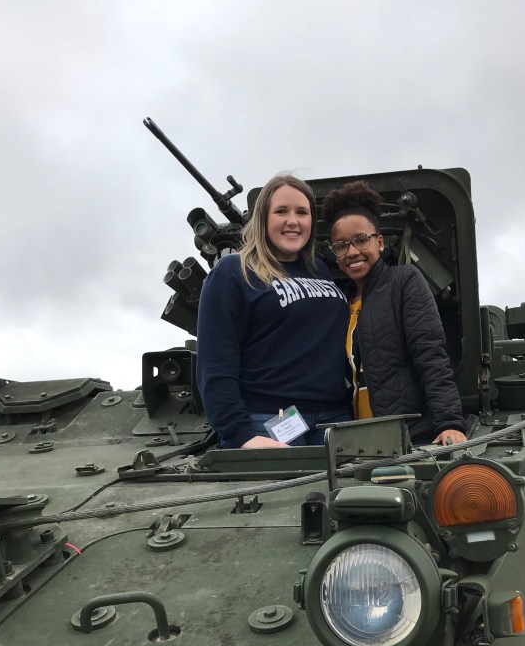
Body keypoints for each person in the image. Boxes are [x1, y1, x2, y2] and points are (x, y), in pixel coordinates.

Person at [197, 174, 351, 448]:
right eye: (281, 211)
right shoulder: (233, 272)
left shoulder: (320, 270)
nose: (293, 221)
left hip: (334, 417)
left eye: (302, 212)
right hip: (267, 419)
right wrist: (239, 434)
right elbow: (216, 360)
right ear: (263, 218)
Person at [322, 179, 467, 446]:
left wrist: (449, 423)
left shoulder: (404, 281)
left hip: (408, 437)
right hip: (356, 442)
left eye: (361, 240)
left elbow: (430, 354)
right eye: (341, 245)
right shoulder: (339, 300)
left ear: (379, 242)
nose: (351, 252)